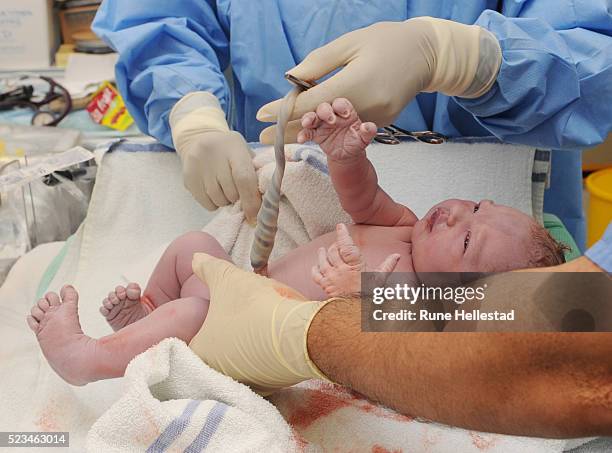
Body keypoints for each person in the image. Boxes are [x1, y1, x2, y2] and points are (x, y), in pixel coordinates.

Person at [25, 98, 567, 387]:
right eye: (476, 204)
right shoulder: (403, 226)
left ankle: (91, 359)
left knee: (194, 310)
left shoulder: (420, 299)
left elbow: (383, 337)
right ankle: (147, 318)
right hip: (242, 288)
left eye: (468, 237)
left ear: (469, 296)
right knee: (192, 247)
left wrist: (360, 291)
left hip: (251, 332)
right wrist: (346, 156)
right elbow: (363, 200)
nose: (454, 214)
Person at [92, 1, 612, 248]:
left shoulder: (427, 283)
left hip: (500, 206)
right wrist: (191, 113)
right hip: (274, 195)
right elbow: (160, 19)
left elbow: (591, 45)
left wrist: (466, 59)